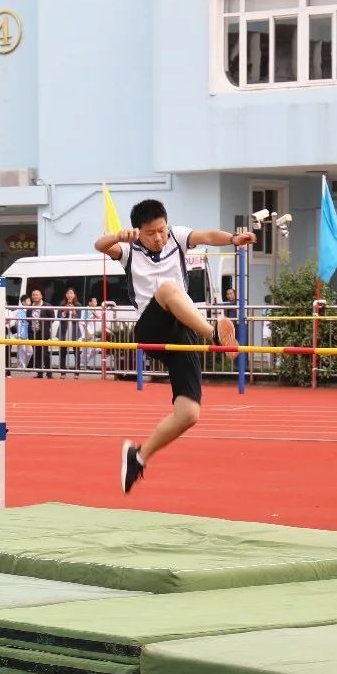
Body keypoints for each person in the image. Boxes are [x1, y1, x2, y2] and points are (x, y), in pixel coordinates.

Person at [94, 198, 252, 493]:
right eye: (151, 232)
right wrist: (118, 236)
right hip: (151, 329)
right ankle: (214, 335)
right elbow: (100, 245)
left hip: (182, 330)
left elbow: (206, 236)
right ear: (138, 231)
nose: (158, 237)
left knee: (189, 413)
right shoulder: (129, 249)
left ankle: (138, 457)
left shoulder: (177, 237)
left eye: (162, 230)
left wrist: (232, 239)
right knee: (167, 288)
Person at [26, 289, 54, 378]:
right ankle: (39, 372)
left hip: (43, 332)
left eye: (37, 295)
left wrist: (44, 326)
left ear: (41, 296)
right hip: (33, 332)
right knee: (36, 353)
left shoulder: (47, 306)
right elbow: (28, 318)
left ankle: (49, 373)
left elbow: (52, 319)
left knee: (45, 353)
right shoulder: (30, 307)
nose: (35, 296)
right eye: (33, 295)